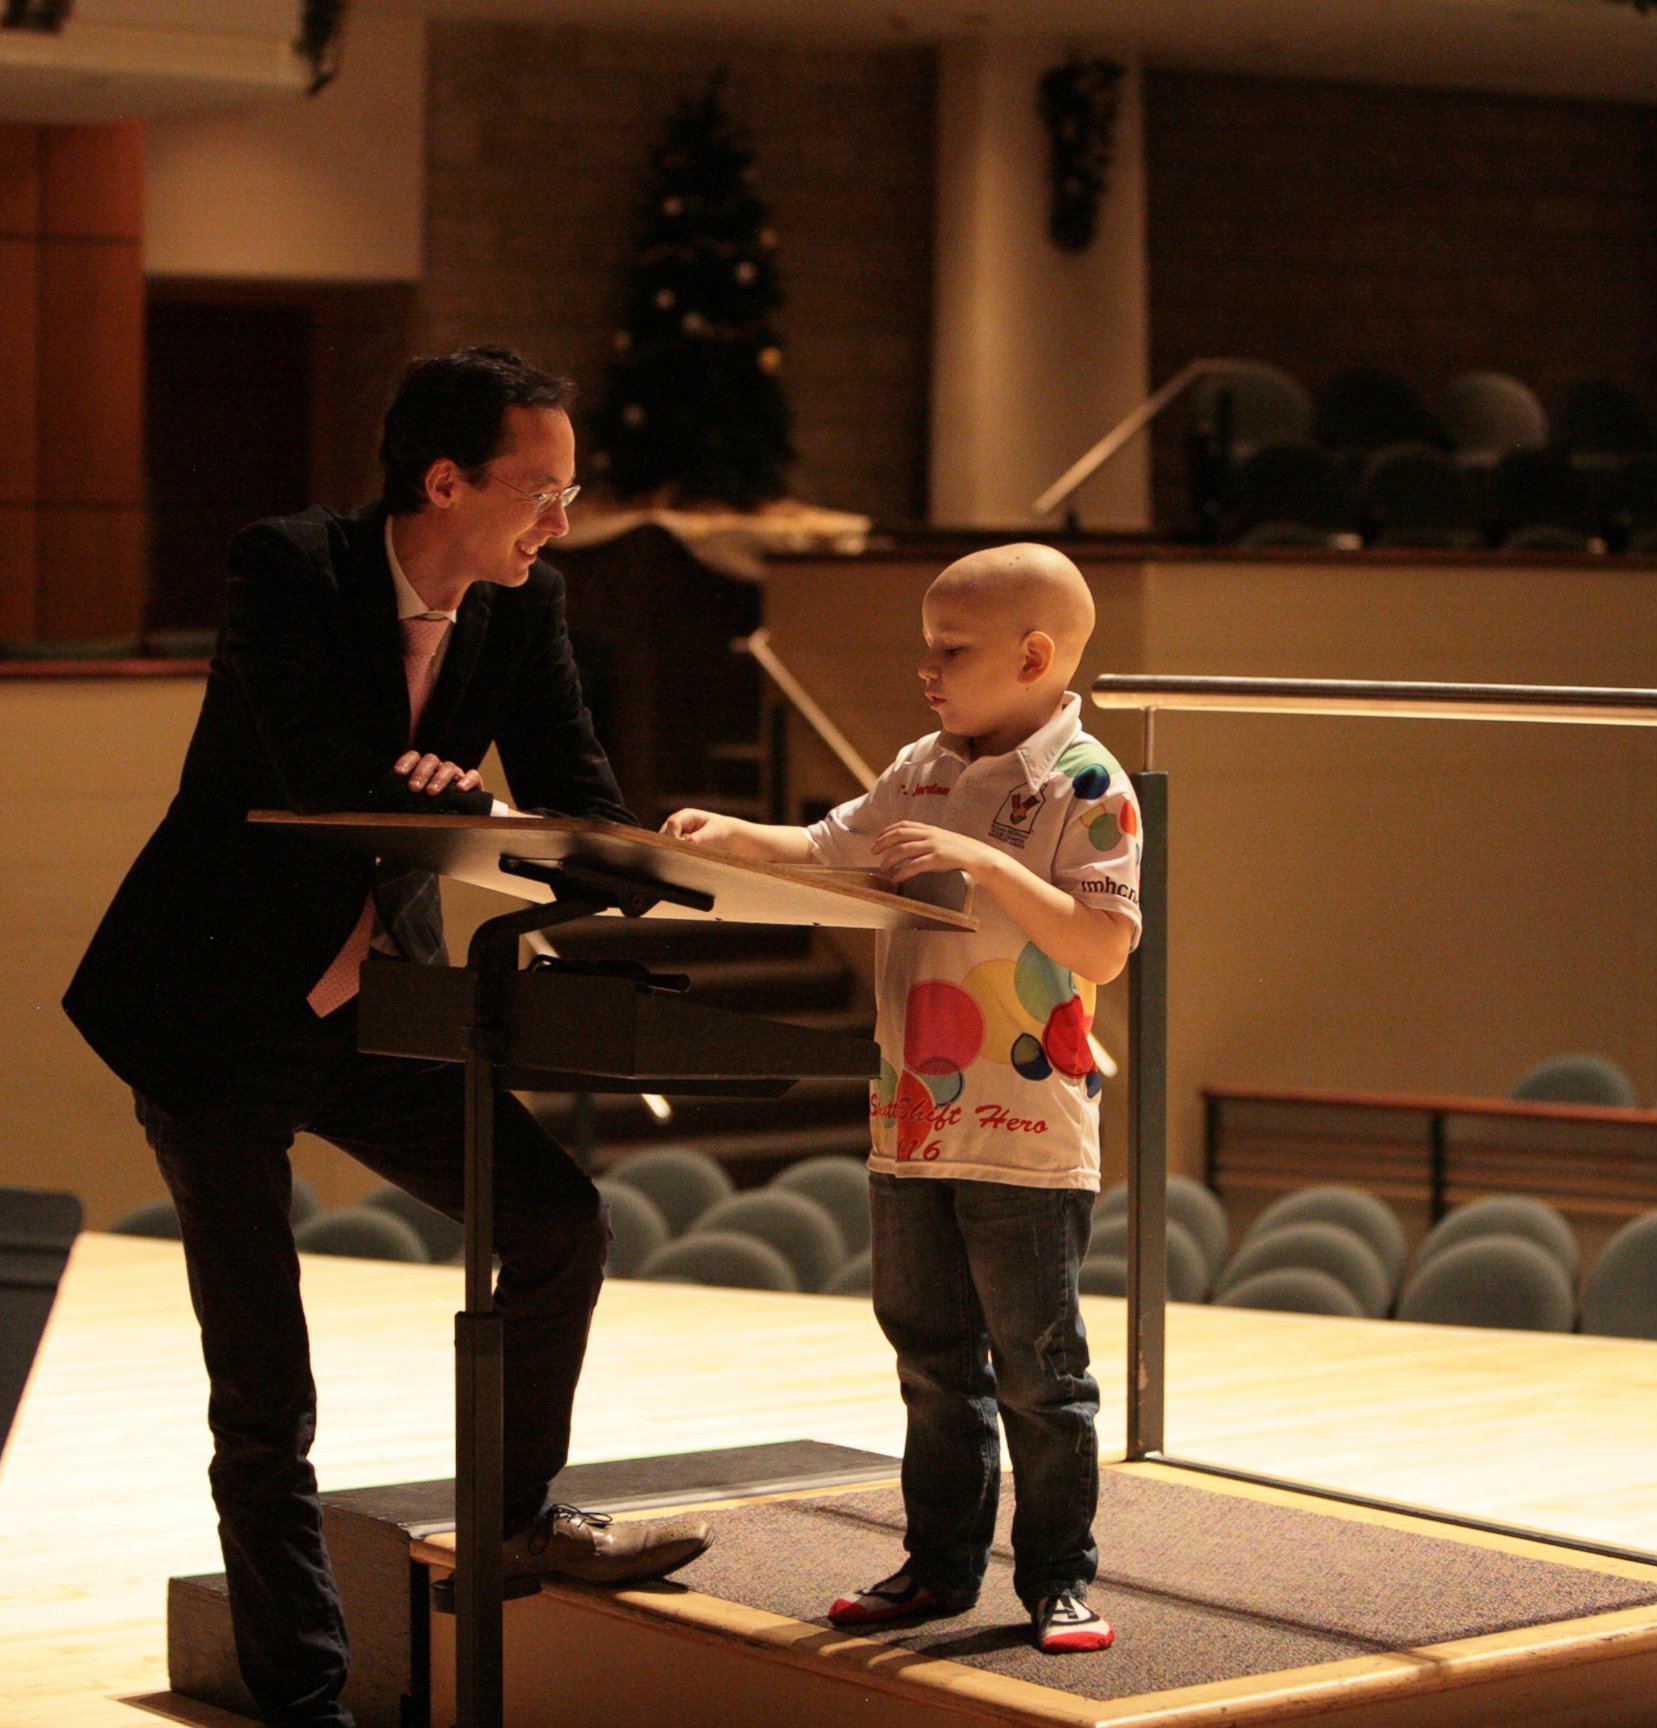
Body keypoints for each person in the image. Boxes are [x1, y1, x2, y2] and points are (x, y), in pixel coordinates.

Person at [64, 346, 709, 1728]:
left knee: (556, 1223)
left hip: (376, 1003)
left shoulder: (522, 612)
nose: (559, 520)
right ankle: (304, 1696)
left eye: (569, 491)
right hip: (214, 1007)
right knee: (264, 1383)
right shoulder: (288, 565)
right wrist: (437, 793)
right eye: (540, 490)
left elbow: (572, 796)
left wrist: (655, 860)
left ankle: (520, 1512)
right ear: (443, 480)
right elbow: (319, 771)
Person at [662, 542, 1138, 1655]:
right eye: (925, 646)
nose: (927, 668)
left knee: (1040, 1371)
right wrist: (732, 836)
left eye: (951, 649)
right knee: (930, 1359)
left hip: (1025, 1128)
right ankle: (939, 1567)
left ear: (1032, 656)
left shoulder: (1087, 781)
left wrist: (985, 861)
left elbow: (1103, 948)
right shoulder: (924, 762)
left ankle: (1061, 1577)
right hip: (914, 1116)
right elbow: (837, 847)